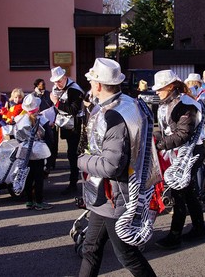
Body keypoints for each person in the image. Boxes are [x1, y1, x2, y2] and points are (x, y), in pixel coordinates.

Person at [77, 58, 156, 277]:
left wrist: (81, 161)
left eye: (92, 81)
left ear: (98, 85)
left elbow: (110, 165)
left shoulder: (113, 114)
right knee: (90, 248)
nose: (91, 85)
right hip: (109, 194)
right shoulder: (126, 103)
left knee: (126, 254)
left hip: (115, 194)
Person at [153, 69, 205, 250]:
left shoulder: (186, 104)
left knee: (179, 191)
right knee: (188, 191)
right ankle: (199, 228)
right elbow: (168, 129)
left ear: (170, 86)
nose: (157, 91)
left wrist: (159, 145)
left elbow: (184, 134)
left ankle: (175, 235)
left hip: (192, 151)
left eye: (160, 88)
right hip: (178, 151)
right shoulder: (168, 101)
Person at [49, 66, 84, 195]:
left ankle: (73, 183)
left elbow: (74, 110)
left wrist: (56, 103)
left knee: (72, 154)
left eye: (59, 80)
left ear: (65, 77)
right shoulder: (58, 88)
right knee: (69, 153)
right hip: (64, 124)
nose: (56, 84)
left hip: (74, 126)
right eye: (54, 81)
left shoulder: (74, 90)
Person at [15, 94, 53, 210]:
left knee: (28, 175)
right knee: (38, 177)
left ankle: (29, 201)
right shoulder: (43, 120)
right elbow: (49, 137)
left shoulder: (20, 120)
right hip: (39, 151)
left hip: (25, 150)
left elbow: (17, 136)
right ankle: (39, 201)